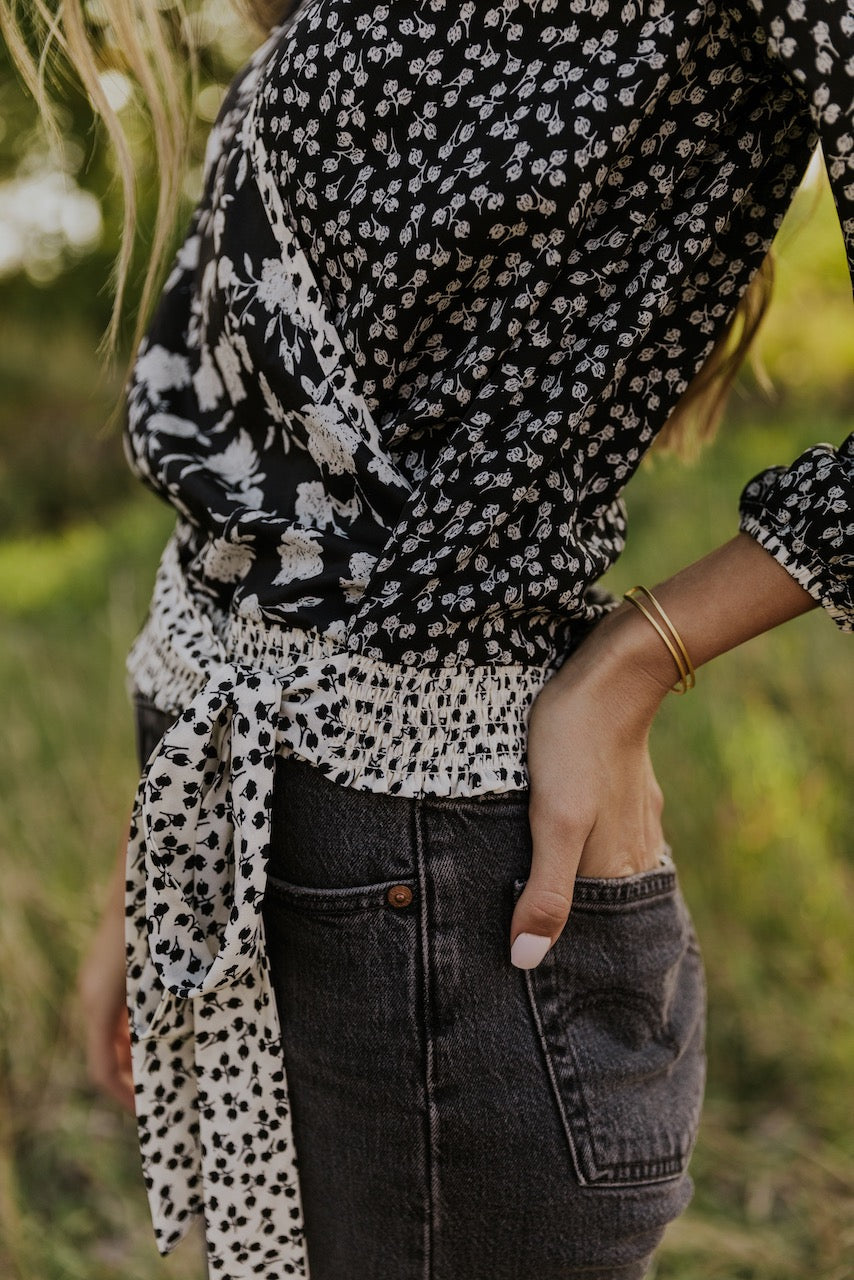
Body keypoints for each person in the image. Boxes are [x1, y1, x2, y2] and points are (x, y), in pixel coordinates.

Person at [5, 1, 850, 1277]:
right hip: (252, 808)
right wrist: (161, 852)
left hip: (434, 871)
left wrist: (635, 658)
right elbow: (266, 488)